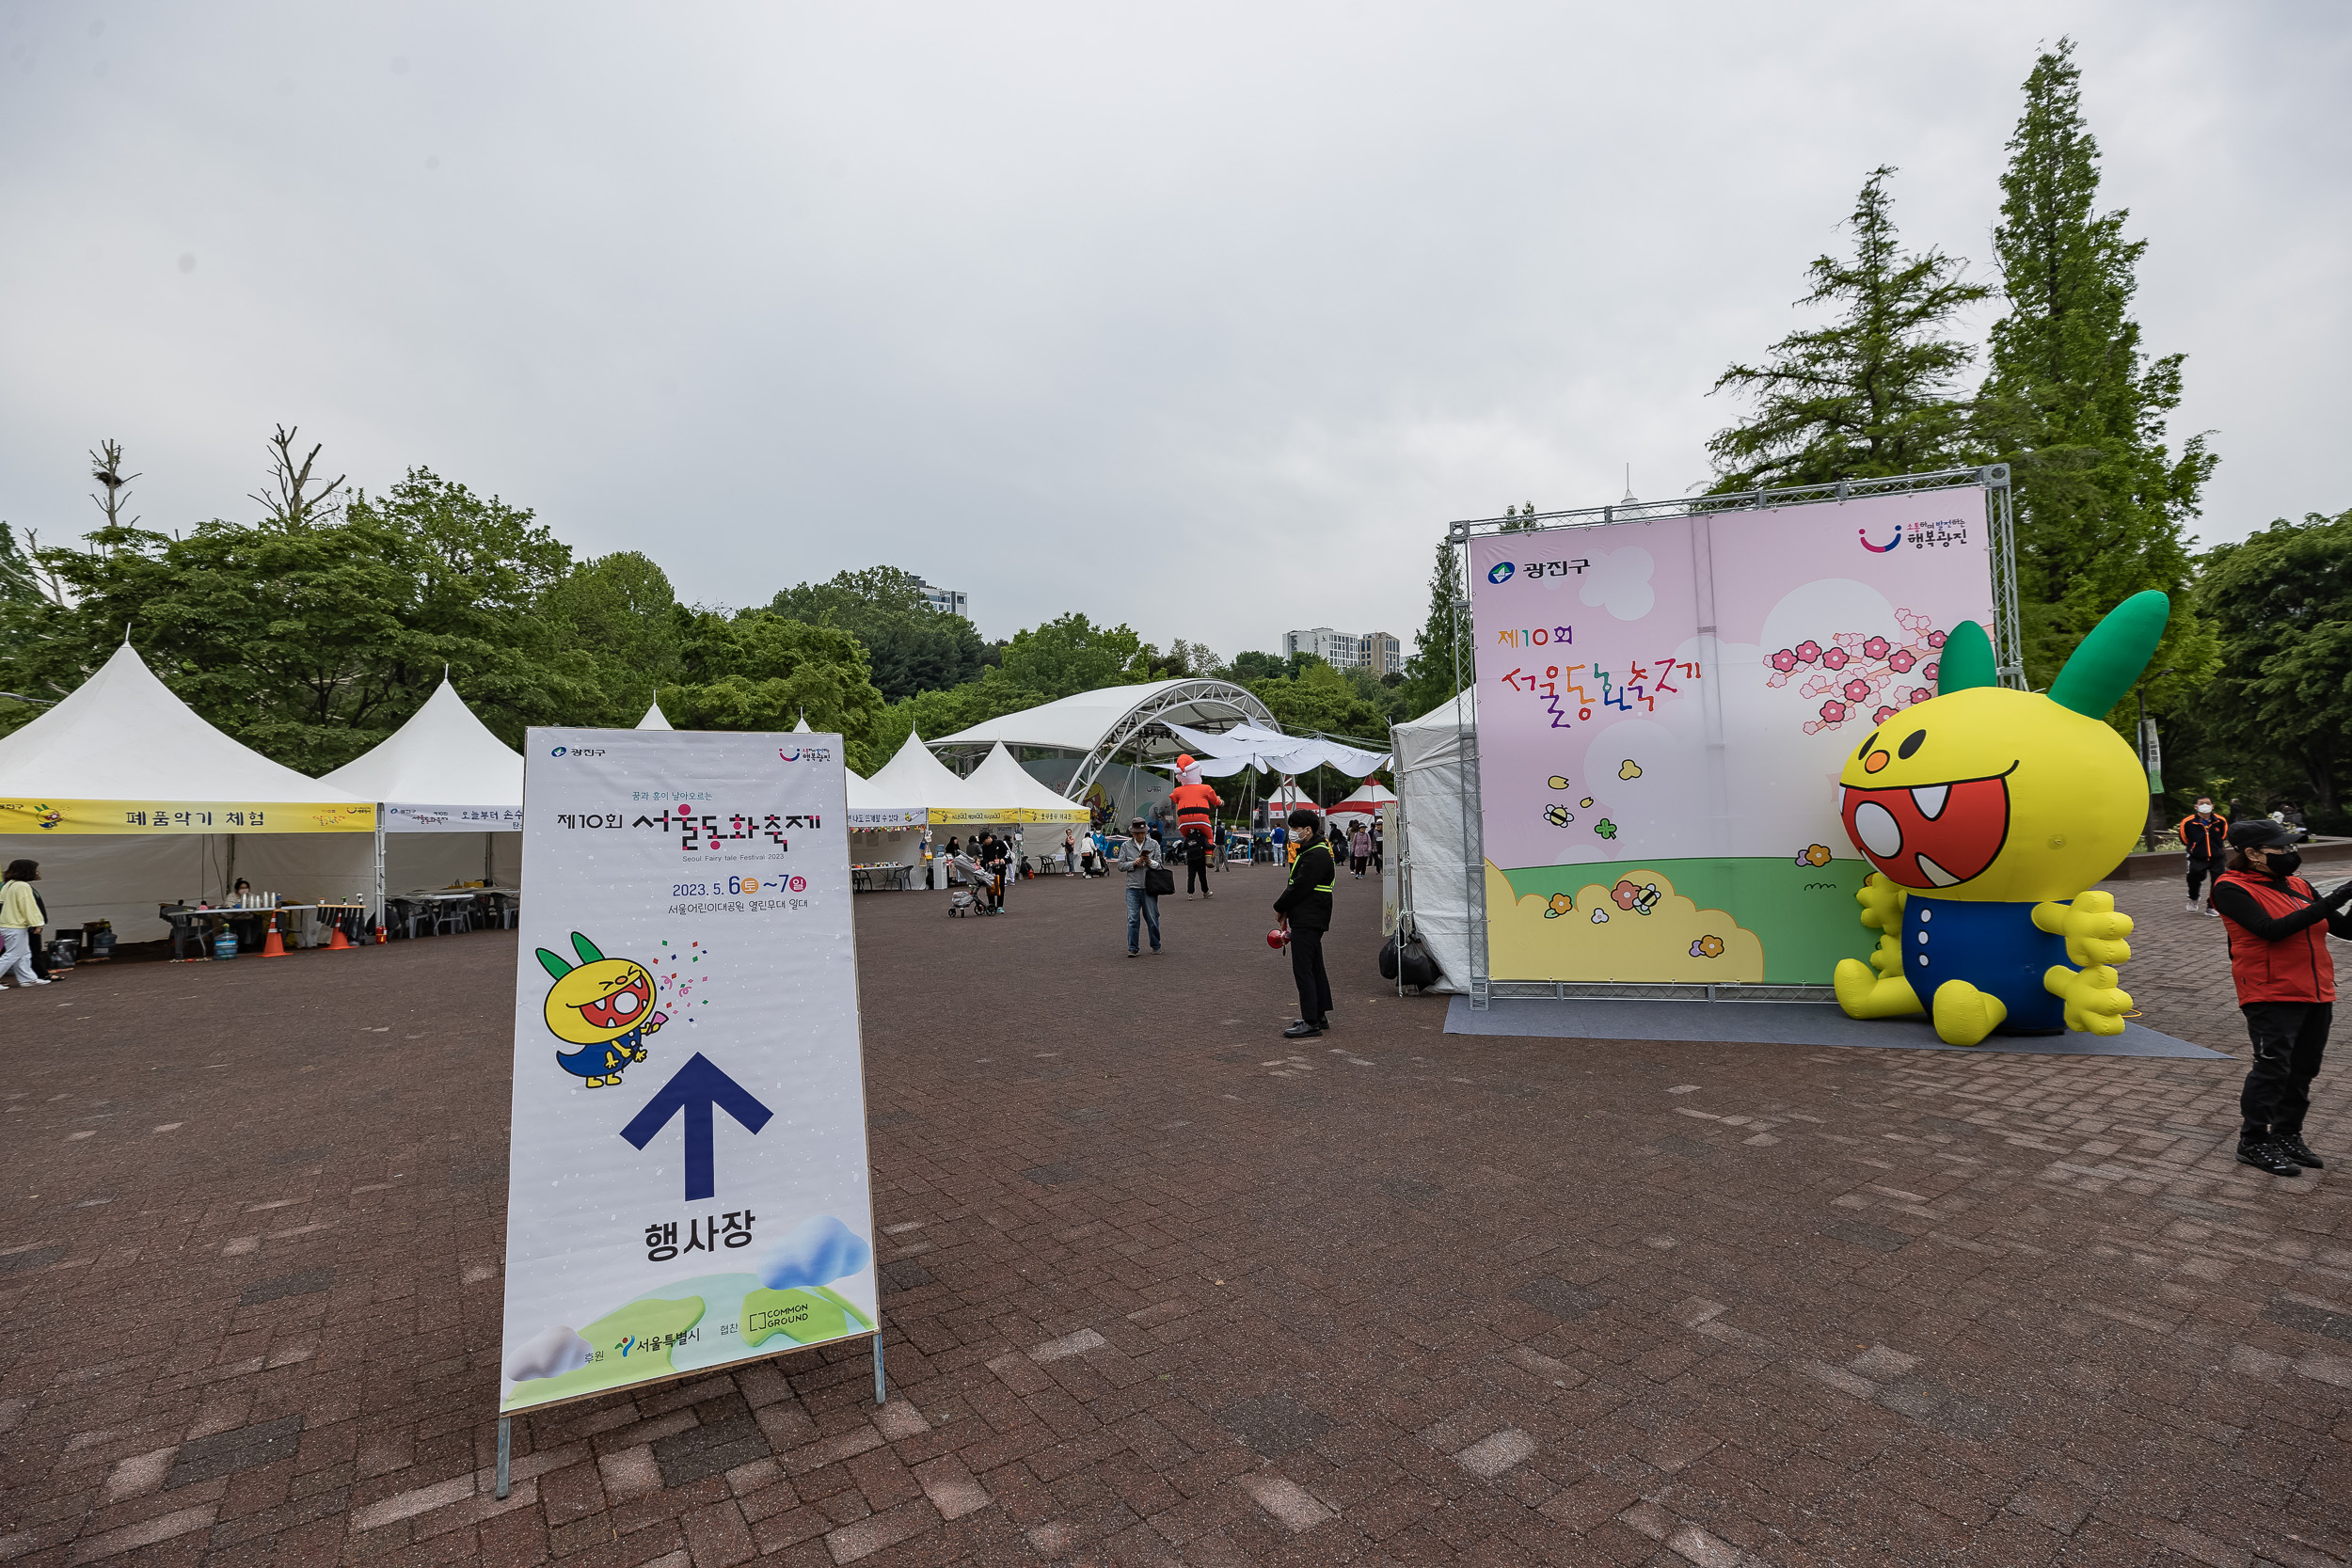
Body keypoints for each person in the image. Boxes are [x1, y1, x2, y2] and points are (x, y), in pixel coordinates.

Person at [2210, 818, 2352, 1177]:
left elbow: (2345, 928)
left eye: (2292, 847)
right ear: (2253, 854)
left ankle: (2288, 1134)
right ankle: (2254, 1141)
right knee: (2273, 1066)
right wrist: (2340, 894)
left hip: (2316, 988)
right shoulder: (2229, 888)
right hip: (2269, 991)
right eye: (2282, 848)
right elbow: (2270, 931)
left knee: (2304, 1067)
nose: (2291, 853)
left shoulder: (2299, 884)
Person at [1272, 810, 1335, 1037]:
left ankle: (1311, 1021)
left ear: (1308, 830)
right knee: (1315, 966)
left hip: (1309, 916)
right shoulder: (1314, 850)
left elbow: (1299, 886)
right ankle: (1318, 1014)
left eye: (1295, 828)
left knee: (1303, 969)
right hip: (1311, 915)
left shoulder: (1315, 854)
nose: (1292, 833)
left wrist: (1279, 906)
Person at [1116, 817, 1163, 957]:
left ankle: (1156, 944)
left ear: (1146, 831)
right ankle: (1133, 948)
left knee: (1152, 917)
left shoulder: (1153, 844)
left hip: (1150, 886)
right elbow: (1120, 866)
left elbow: (1160, 865)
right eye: (1137, 833)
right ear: (1132, 833)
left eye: (1142, 833)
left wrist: (1149, 861)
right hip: (1132, 887)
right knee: (1132, 918)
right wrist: (1133, 863)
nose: (1140, 835)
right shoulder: (1126, 846)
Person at [2, 860, 50, 989]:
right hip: (14, 925)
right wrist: (37, 923)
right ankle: (28, 979)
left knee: (24, 953)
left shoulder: (9, 884)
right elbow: (29, 907)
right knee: (13, 954)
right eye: (35, 870)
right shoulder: (22, 886)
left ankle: (28, 979)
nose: (37, 872)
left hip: (9, 924)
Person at [2179, 796, 2228, 916]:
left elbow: (2223, 835)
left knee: (2218, 882)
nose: (2205, 805)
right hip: (2197, 857)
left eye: (2208, 803)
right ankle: (2194, 897)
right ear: (2196, 807)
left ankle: (2212, 906)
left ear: (2212, 805)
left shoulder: (2220, 821)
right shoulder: (2188, 822)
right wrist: (2195, 847)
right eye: (2202, 803)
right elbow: (2184, 839)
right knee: (2193, 878)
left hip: (2217, 856)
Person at [1184, 827, 1213, 897]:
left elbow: (1183, 847)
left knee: (1191, 876)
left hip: (1190, 859)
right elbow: (1207, 846)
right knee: (1202, 876)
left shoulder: (1188, 836)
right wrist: (1213, 846)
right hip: (1200, 858)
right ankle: (1205, 892)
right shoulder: (1202, 836)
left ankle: (1190, 893)